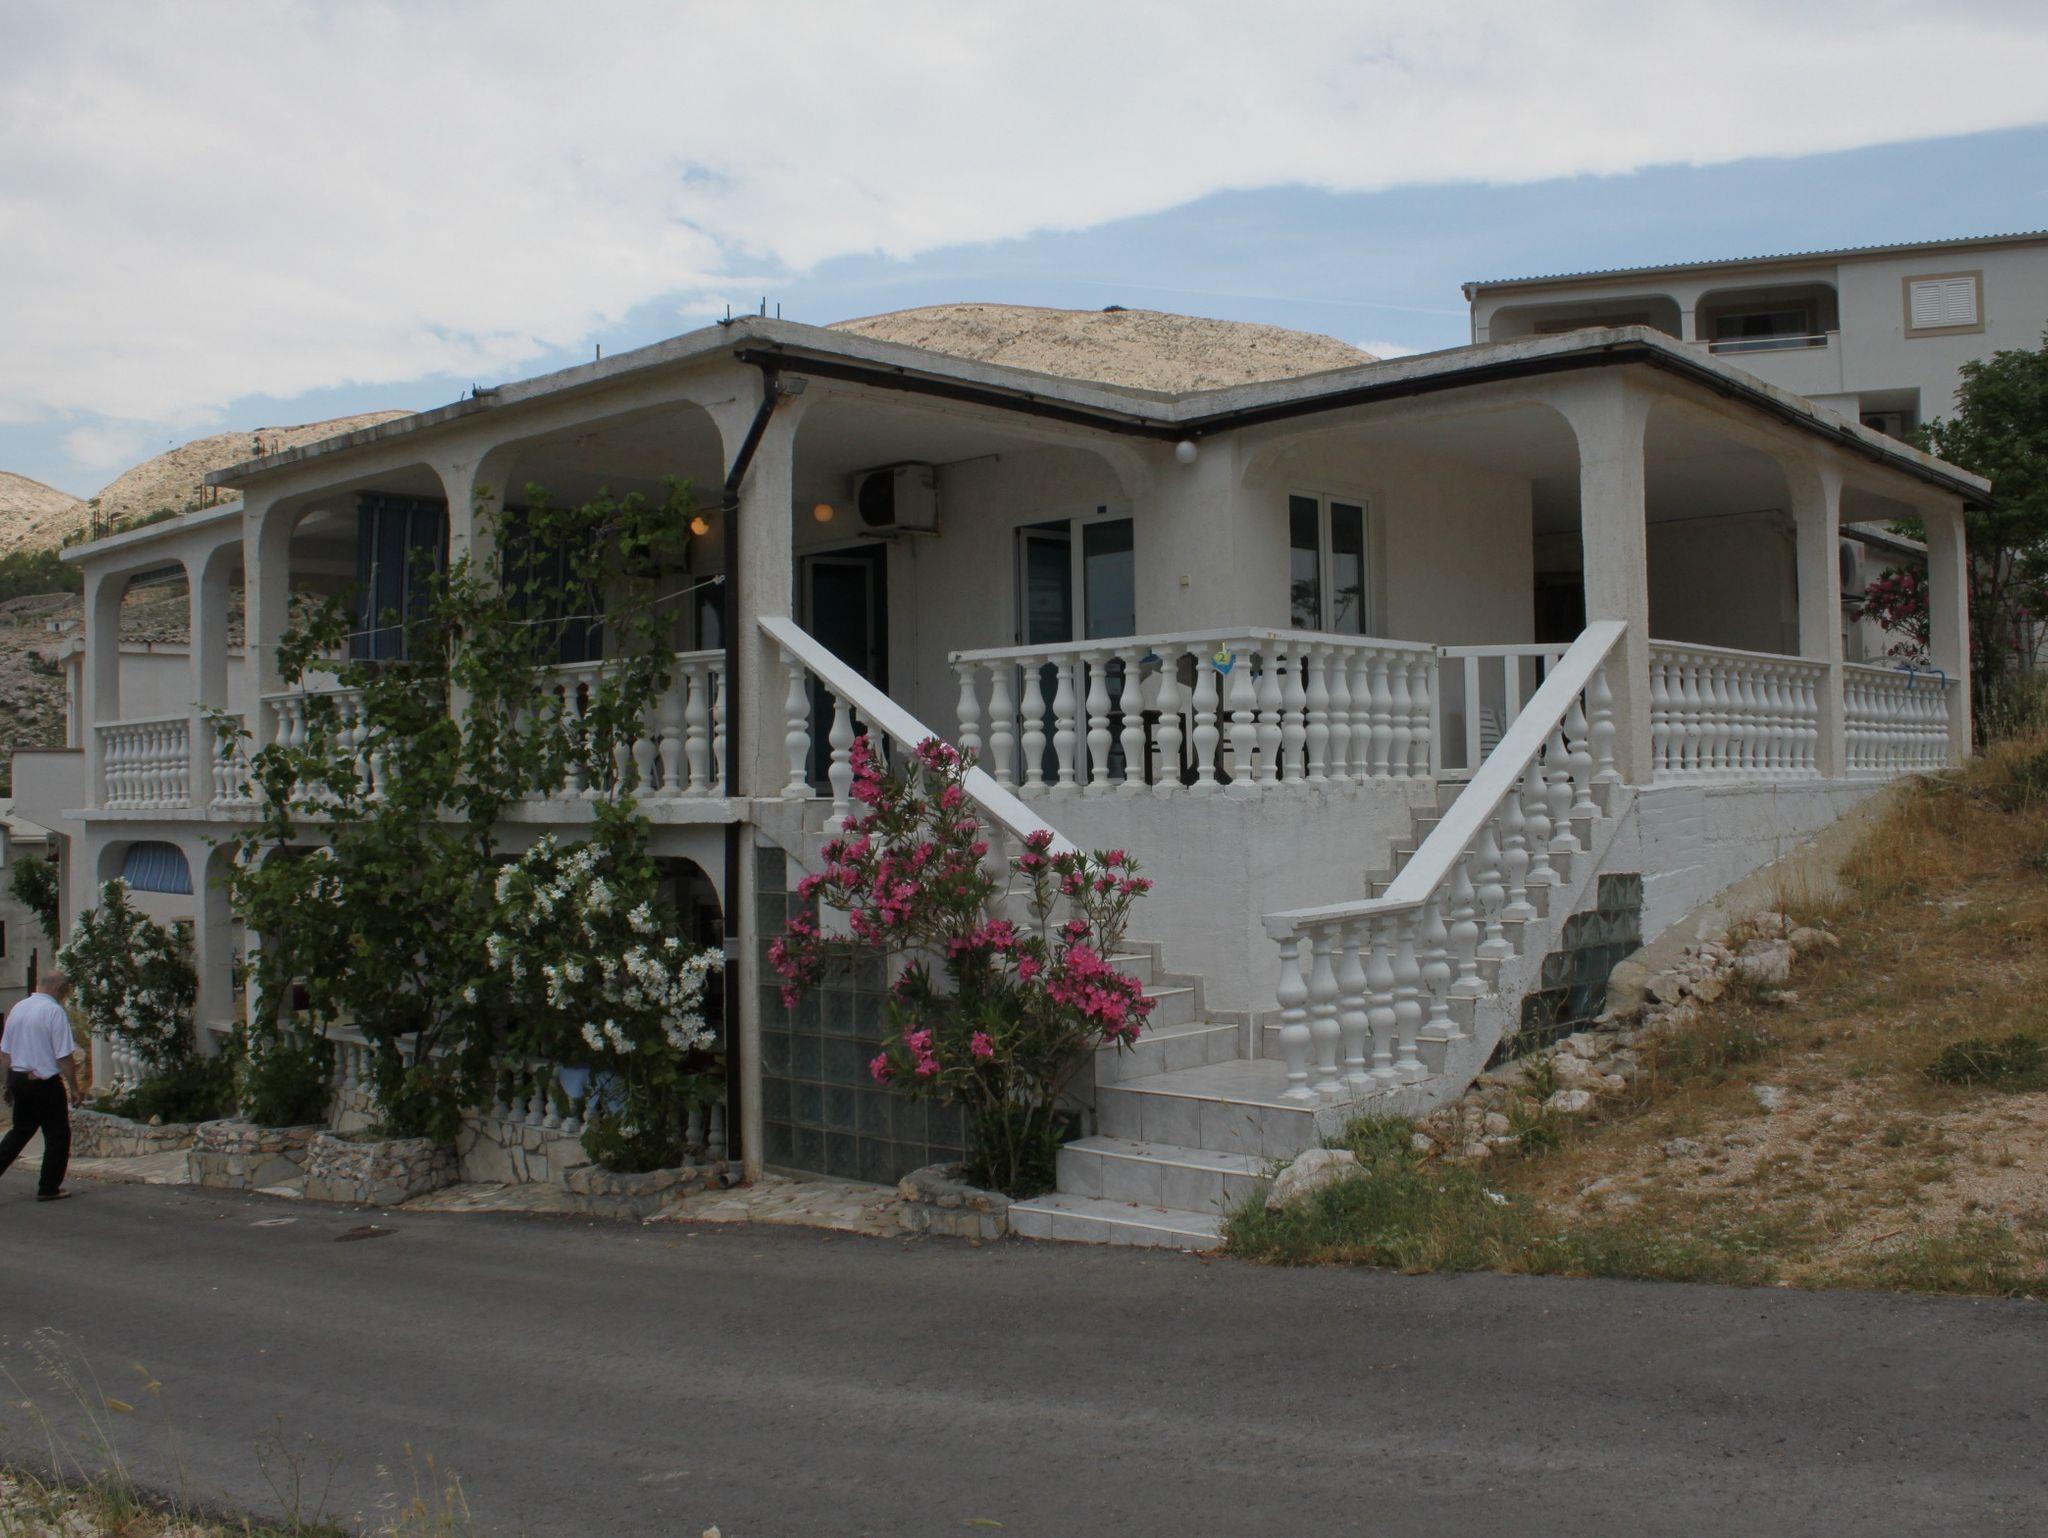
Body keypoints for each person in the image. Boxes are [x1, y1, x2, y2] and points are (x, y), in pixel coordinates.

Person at [0, 972, 82, 1202]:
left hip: (19, 1077)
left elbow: (5, 1052)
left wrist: (7, 1083)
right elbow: (64, 1056)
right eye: (65, 991)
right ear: (58, 988)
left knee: (19, 1132)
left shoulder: (19, 1008)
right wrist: (74, 1088)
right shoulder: (54, 1011)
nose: (65, 996)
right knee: (57, 1134)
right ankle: (48, 1187)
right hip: (44, 1083)